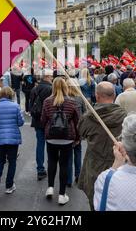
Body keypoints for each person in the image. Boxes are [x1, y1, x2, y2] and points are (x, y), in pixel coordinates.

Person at [78, 82, 127, 210]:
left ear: (97, 96)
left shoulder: (88, 117)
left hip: (95, 166)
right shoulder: (126, 117)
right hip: (118, 167)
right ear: (115, 95)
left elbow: (81, 133)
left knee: (95, 202)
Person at [41, 77, 80, 205]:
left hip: (51, 137)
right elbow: (77, 121)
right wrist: (78, 138)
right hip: (67, 138)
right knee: (64, 165)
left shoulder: (47, 101)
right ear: (65, 87)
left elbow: (43, 120)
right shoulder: (72, 102)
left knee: (51, 162)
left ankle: (50, 187)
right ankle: (62, 195)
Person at [0, 87, 24, 195]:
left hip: (1, 137)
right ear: (11, 95)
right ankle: (9, 186)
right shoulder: (15, 106)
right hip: (13, 139)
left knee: (1, 159)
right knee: (12, 161)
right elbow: (20, 122)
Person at [29, 69, 53, 181]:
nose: (52, 78)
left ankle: (40, 168)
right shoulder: (50, 89)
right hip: (48, 121)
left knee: (40, 144)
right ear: (47, 76)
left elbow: (30, 106)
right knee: (51, 145)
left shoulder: (35, 89)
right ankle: (51, 167)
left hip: (37, 121)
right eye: (51, 76)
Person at [65, 78, 87, 187]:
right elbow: (85, 114)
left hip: (68, 130)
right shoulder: (81, 99)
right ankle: (78, 175)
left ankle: (68, 179)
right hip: (79, 129)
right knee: (78, 152)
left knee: (68, 154)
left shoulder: (65, 99)